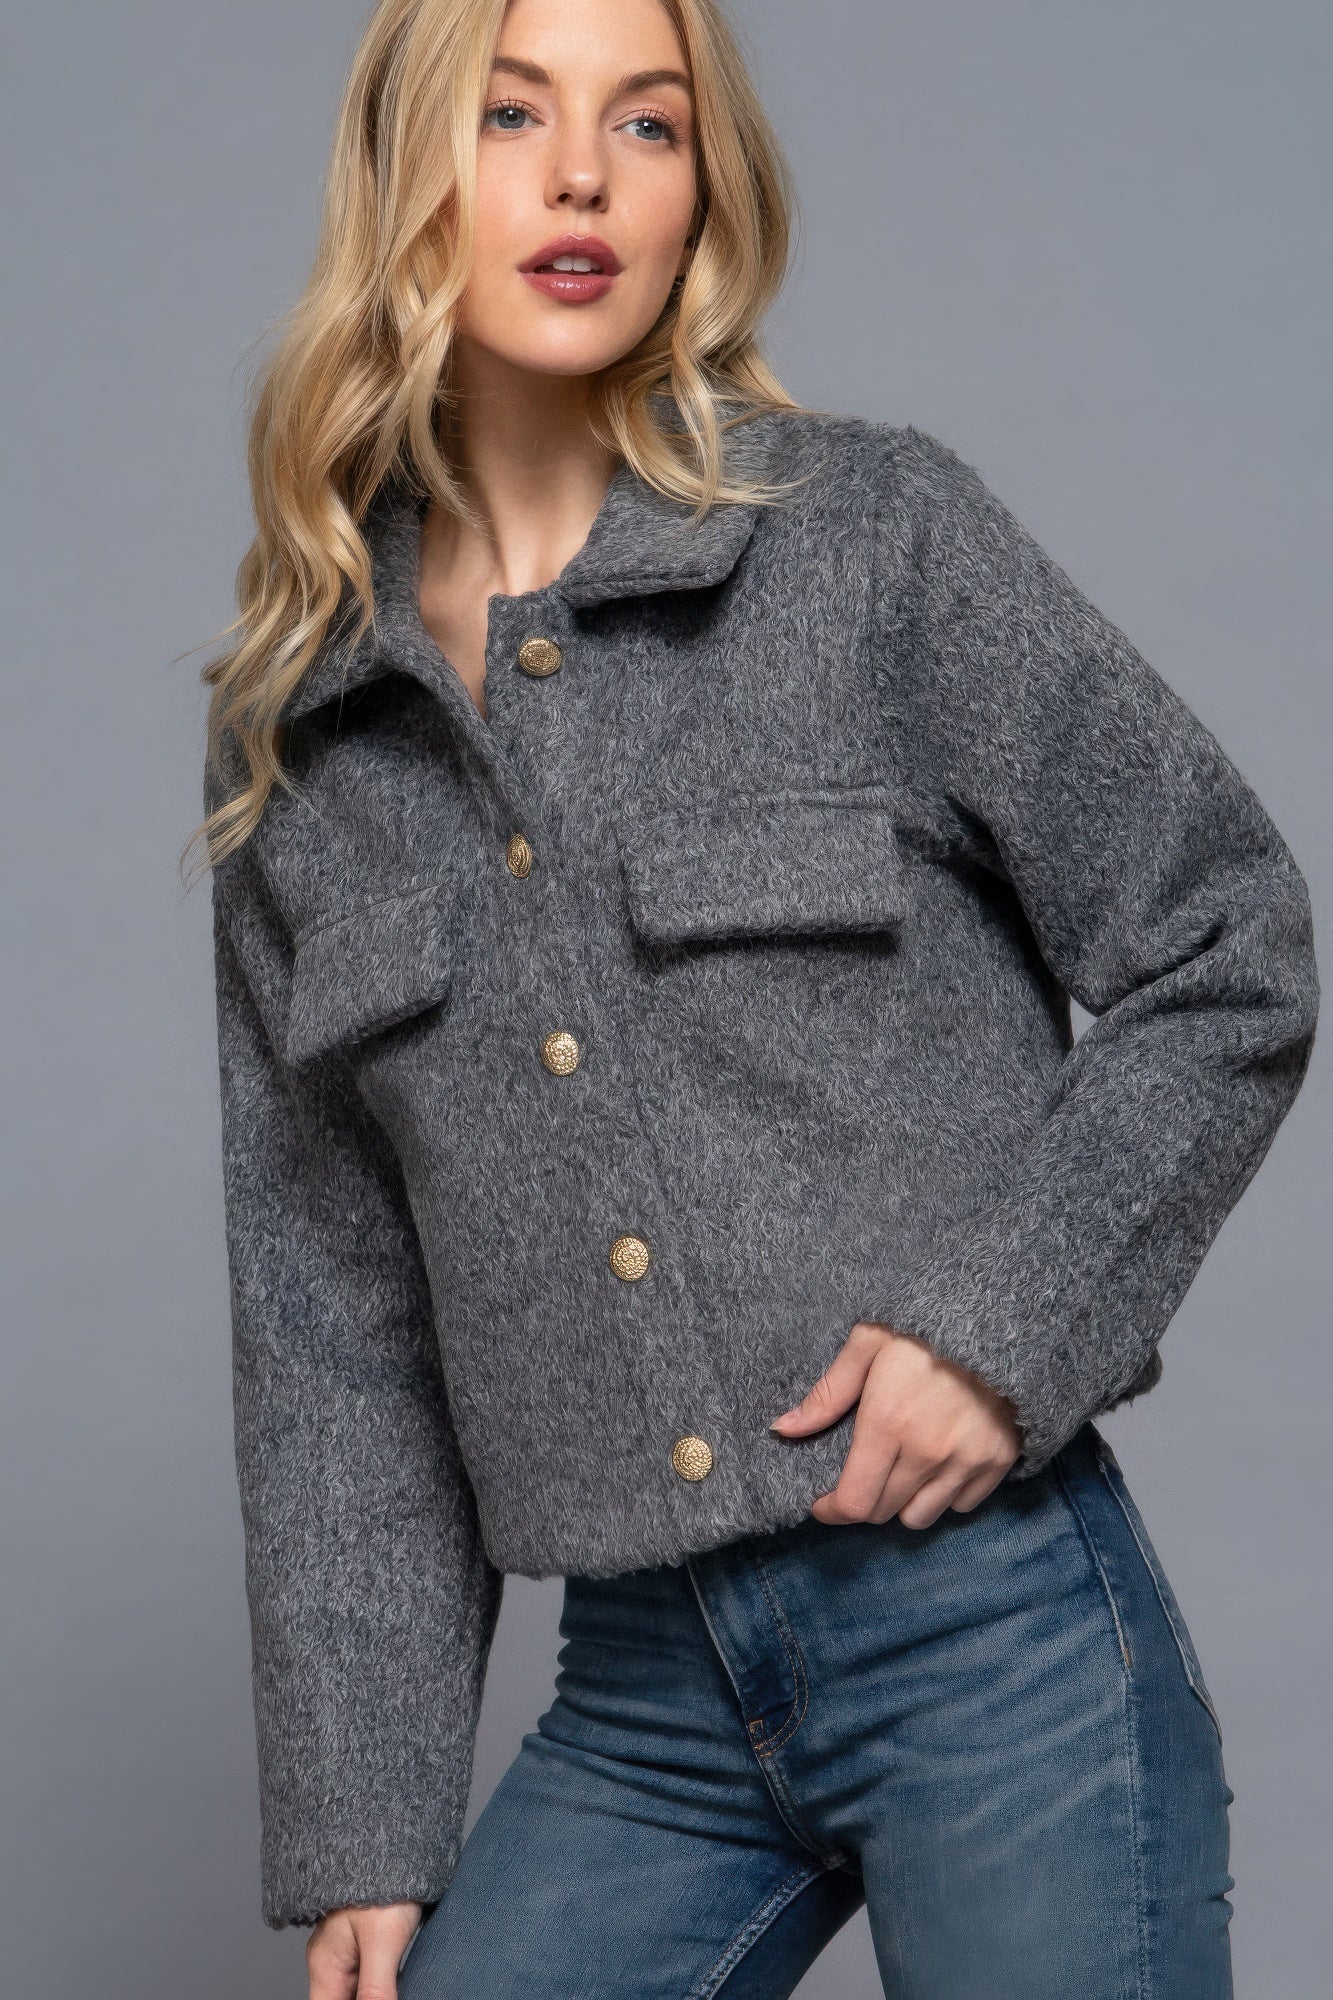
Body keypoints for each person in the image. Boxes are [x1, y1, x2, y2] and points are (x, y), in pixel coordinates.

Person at [184, 1, 1320, 1995]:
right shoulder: (302, 738)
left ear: (703, 189)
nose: (581, 175)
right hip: (642, 1701)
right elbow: (332, 1318)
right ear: (401, 167)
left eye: (649, 122)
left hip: (994, 1636)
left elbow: (1225, 938)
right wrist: (368, 1820)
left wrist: (999, 1332)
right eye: (512, 114)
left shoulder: (868, 542)